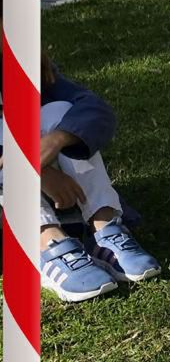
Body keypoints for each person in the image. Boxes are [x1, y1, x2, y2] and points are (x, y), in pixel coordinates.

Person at [27, 54, 162, 301]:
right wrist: (37, 172)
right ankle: (45, 244)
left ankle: (105, 229)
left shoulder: (22, 64)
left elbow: (94, 108)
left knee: (60, 112)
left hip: (63, 202)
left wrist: (57, 139)